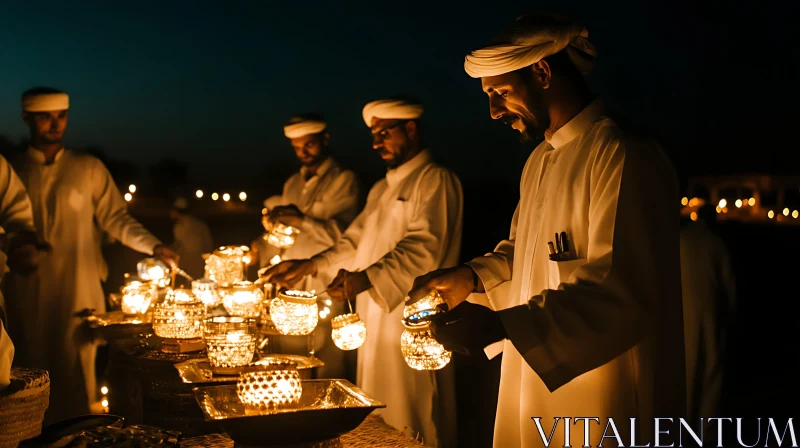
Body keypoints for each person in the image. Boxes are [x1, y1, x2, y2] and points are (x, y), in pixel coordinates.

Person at [408, 13, 686, 447]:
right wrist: (472, 277)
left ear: (541, 72)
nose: (494, 111)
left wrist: (505, 326)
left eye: (500, 92)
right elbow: (524, 251)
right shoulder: (540, 160)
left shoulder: (622, 151)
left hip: (601, 383)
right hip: (534, 367)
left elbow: (623, 288)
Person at [265, 98, 462, 448]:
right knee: (378, 407)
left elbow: (423, 248)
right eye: (374, 135)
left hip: (412, 324)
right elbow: (352, 242)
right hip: (374, 314)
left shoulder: (435, 180)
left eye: (384, 133)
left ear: (411, 129)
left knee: (416, 410)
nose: (376, 143)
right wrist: (308, 266)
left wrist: (366, 278)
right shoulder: (381, 189)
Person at [3, 87, 179, 425]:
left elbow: (115, 217)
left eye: (61, 116)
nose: (55, 125)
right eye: (45, 117)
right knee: (25, 370)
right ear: (27, 118)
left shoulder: (88, 167)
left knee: (76, 370)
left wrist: (154, 246)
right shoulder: (11, 168)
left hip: (77, 289)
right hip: (22, 290)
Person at [259, 114, 362, 378]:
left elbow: (347, 237)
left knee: (328, 362)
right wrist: (271, 228)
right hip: (292, 286)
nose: (302, 152)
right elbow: (284, 235)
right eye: (296, 147)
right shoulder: (292, 183)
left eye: (309, 145)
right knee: (293, 360)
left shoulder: (344, 180)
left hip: (327, 285)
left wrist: (302, 220)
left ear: (325, 140)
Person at [680, 204, 735, 429]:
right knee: (710, 368)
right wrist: (730, 313)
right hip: (709, 312)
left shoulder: (680, 239)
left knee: (686, 368)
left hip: (682, 311)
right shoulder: (717, 242)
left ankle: (681, 424)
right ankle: (705, 429)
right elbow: (729, 283)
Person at [169, 196, 214, 280]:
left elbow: (178, 246)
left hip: (187, 264)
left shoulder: (180, 226)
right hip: (200, 263)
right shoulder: (200, 224)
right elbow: (209, 245)